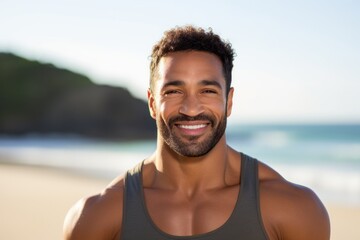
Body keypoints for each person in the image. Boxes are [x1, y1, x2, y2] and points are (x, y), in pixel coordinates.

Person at [63, 25, 330, 240]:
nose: (191, 109)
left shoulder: (294, 209)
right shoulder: (97, 216)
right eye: (174, 91)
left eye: (208, 91)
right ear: (153, 103)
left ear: (230, 102)